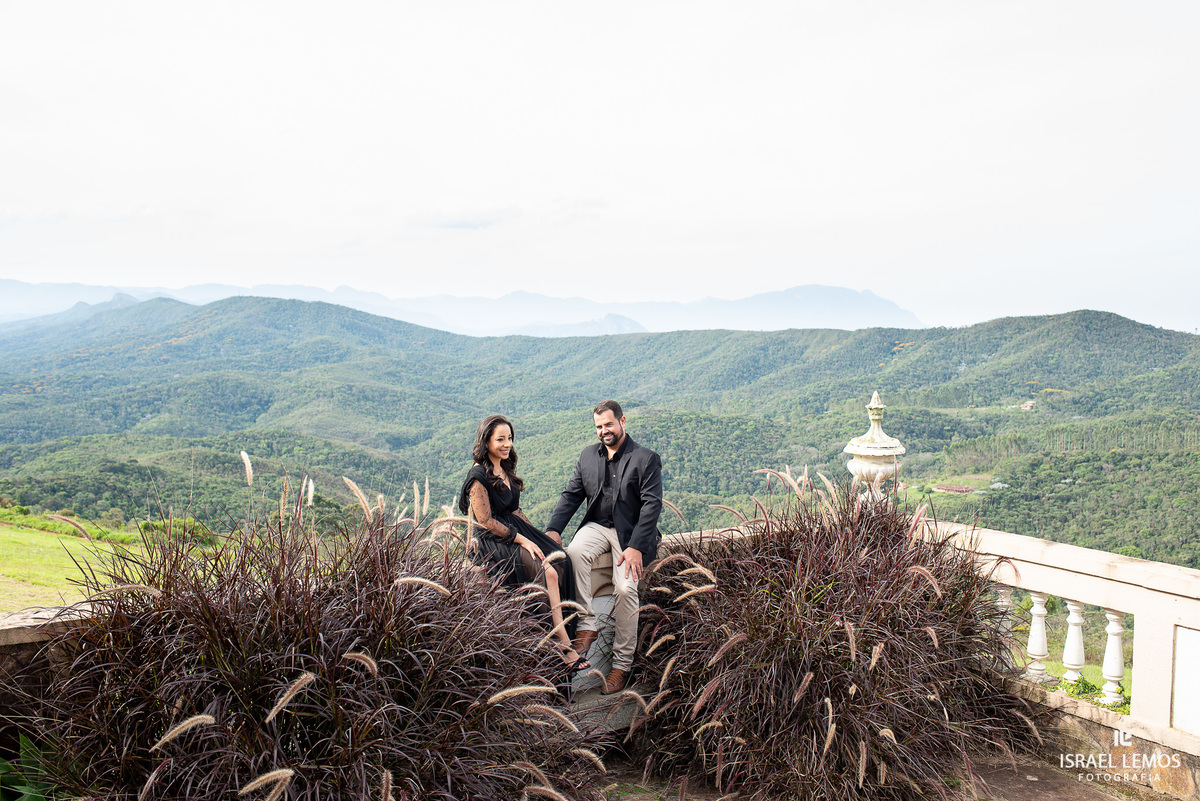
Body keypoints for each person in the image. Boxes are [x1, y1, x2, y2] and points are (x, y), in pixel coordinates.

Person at [546, 400, 663, 694]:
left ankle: (621, 666)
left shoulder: (646, 458)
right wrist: (553, 529)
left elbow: (651, 506)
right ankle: (587, 623)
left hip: (630, 534)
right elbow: (571, 495)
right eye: (599, 426)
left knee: (625, 589)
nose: (604, 431)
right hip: (597, 526)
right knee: (574, 553)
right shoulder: (588, 456)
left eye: (609, 424)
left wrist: (636, 547)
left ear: (622, 421)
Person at [458, 414, 589, 672]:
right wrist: (523, 540)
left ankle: (564, 632)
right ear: (486, 442)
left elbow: (514, 510)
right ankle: (562, 645)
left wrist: (535, 536)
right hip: (492, 540)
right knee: (548, 571)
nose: (507, 444)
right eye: (500, 439)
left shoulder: (504, 467)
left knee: (560, 558)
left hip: (513, 529)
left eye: (509, 438)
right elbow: (485, 521)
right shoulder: (477, 476)